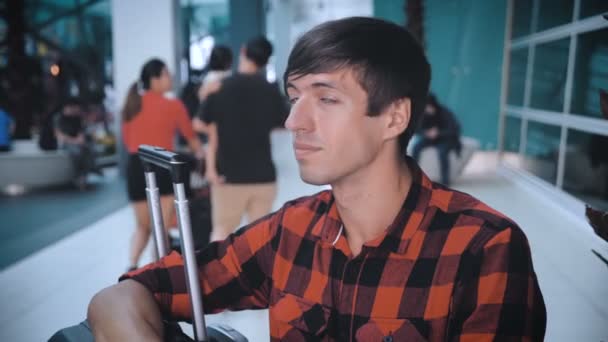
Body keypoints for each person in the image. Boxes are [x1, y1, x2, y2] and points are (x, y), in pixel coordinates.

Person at [88, 17, 546, 341]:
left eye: (326, 99)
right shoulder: (292, 231)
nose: (294, 122)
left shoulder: (484, 250)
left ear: (393, 117)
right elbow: (126, 294)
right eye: (294, 97)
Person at [197, 37, 287, 241]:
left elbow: (201, 122)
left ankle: (215, 273)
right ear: (265, 60)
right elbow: (283, 122)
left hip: (228, 177)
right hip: (264, 176)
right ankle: (256, 274)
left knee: (221, 231)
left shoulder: (220, 87)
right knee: (260, 237)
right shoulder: (270, 90)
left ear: (243, 51)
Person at [121, 58, 205, 271]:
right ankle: (157, 272)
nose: (171, 78)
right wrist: (202, 155)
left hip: (135, 167)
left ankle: (131, 266)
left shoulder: (131, 106)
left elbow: (128, 141)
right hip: (161, 165)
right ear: (155, 79)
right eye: (167, 74)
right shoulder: (173, 105)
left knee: (143, 227)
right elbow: (191, 137)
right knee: (162, 227)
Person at [411, 93, 461, 186]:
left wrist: (439, 133)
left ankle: (445, 181)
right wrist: (426, 132)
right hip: (429, 139)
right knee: (416, 148)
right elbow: (417, 128)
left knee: (442, 152)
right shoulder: (424, 114)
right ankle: (414, 176)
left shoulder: (445, 113)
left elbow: (454, 130)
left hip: (445, 139)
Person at [54, 97, 97, 190]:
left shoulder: (77, 118)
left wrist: (79, 140)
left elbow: (81, 133)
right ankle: (78, 177)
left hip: (76, 142)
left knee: (88, 149)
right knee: (76, 151)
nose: (76, 110)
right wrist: (75, 141)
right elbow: (60, 136)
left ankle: (84, 175)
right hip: (65, 143)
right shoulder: (58, 118)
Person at [191, 44, 234, 137]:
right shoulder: (229, 78)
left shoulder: (207, 79)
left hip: (209, 124)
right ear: (229, 61)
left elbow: (201, 100)